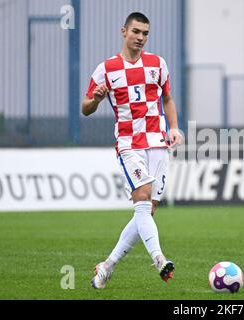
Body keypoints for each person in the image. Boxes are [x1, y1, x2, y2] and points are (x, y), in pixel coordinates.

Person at [82, 12, 183, 289]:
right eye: (136, 32)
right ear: (123, 31)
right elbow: (85, 107)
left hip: (158, 143)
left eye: (145, 33)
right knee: (142, 195)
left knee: (146, 210)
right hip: (129, 144)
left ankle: (107, 266)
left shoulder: (158, 64)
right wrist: (97, 99)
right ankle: (159, 259)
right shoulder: (106, 69)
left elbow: (168, 98)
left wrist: (174, 127)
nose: (140, 38)